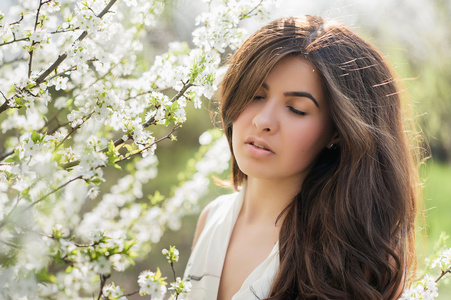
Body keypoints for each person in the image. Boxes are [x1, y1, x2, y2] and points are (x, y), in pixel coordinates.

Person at [184, 15, 421, 300]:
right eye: (256, 95)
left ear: (337, 131)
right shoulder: (212, 218)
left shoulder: (352, 258)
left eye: (296, 109)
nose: (263, 121)